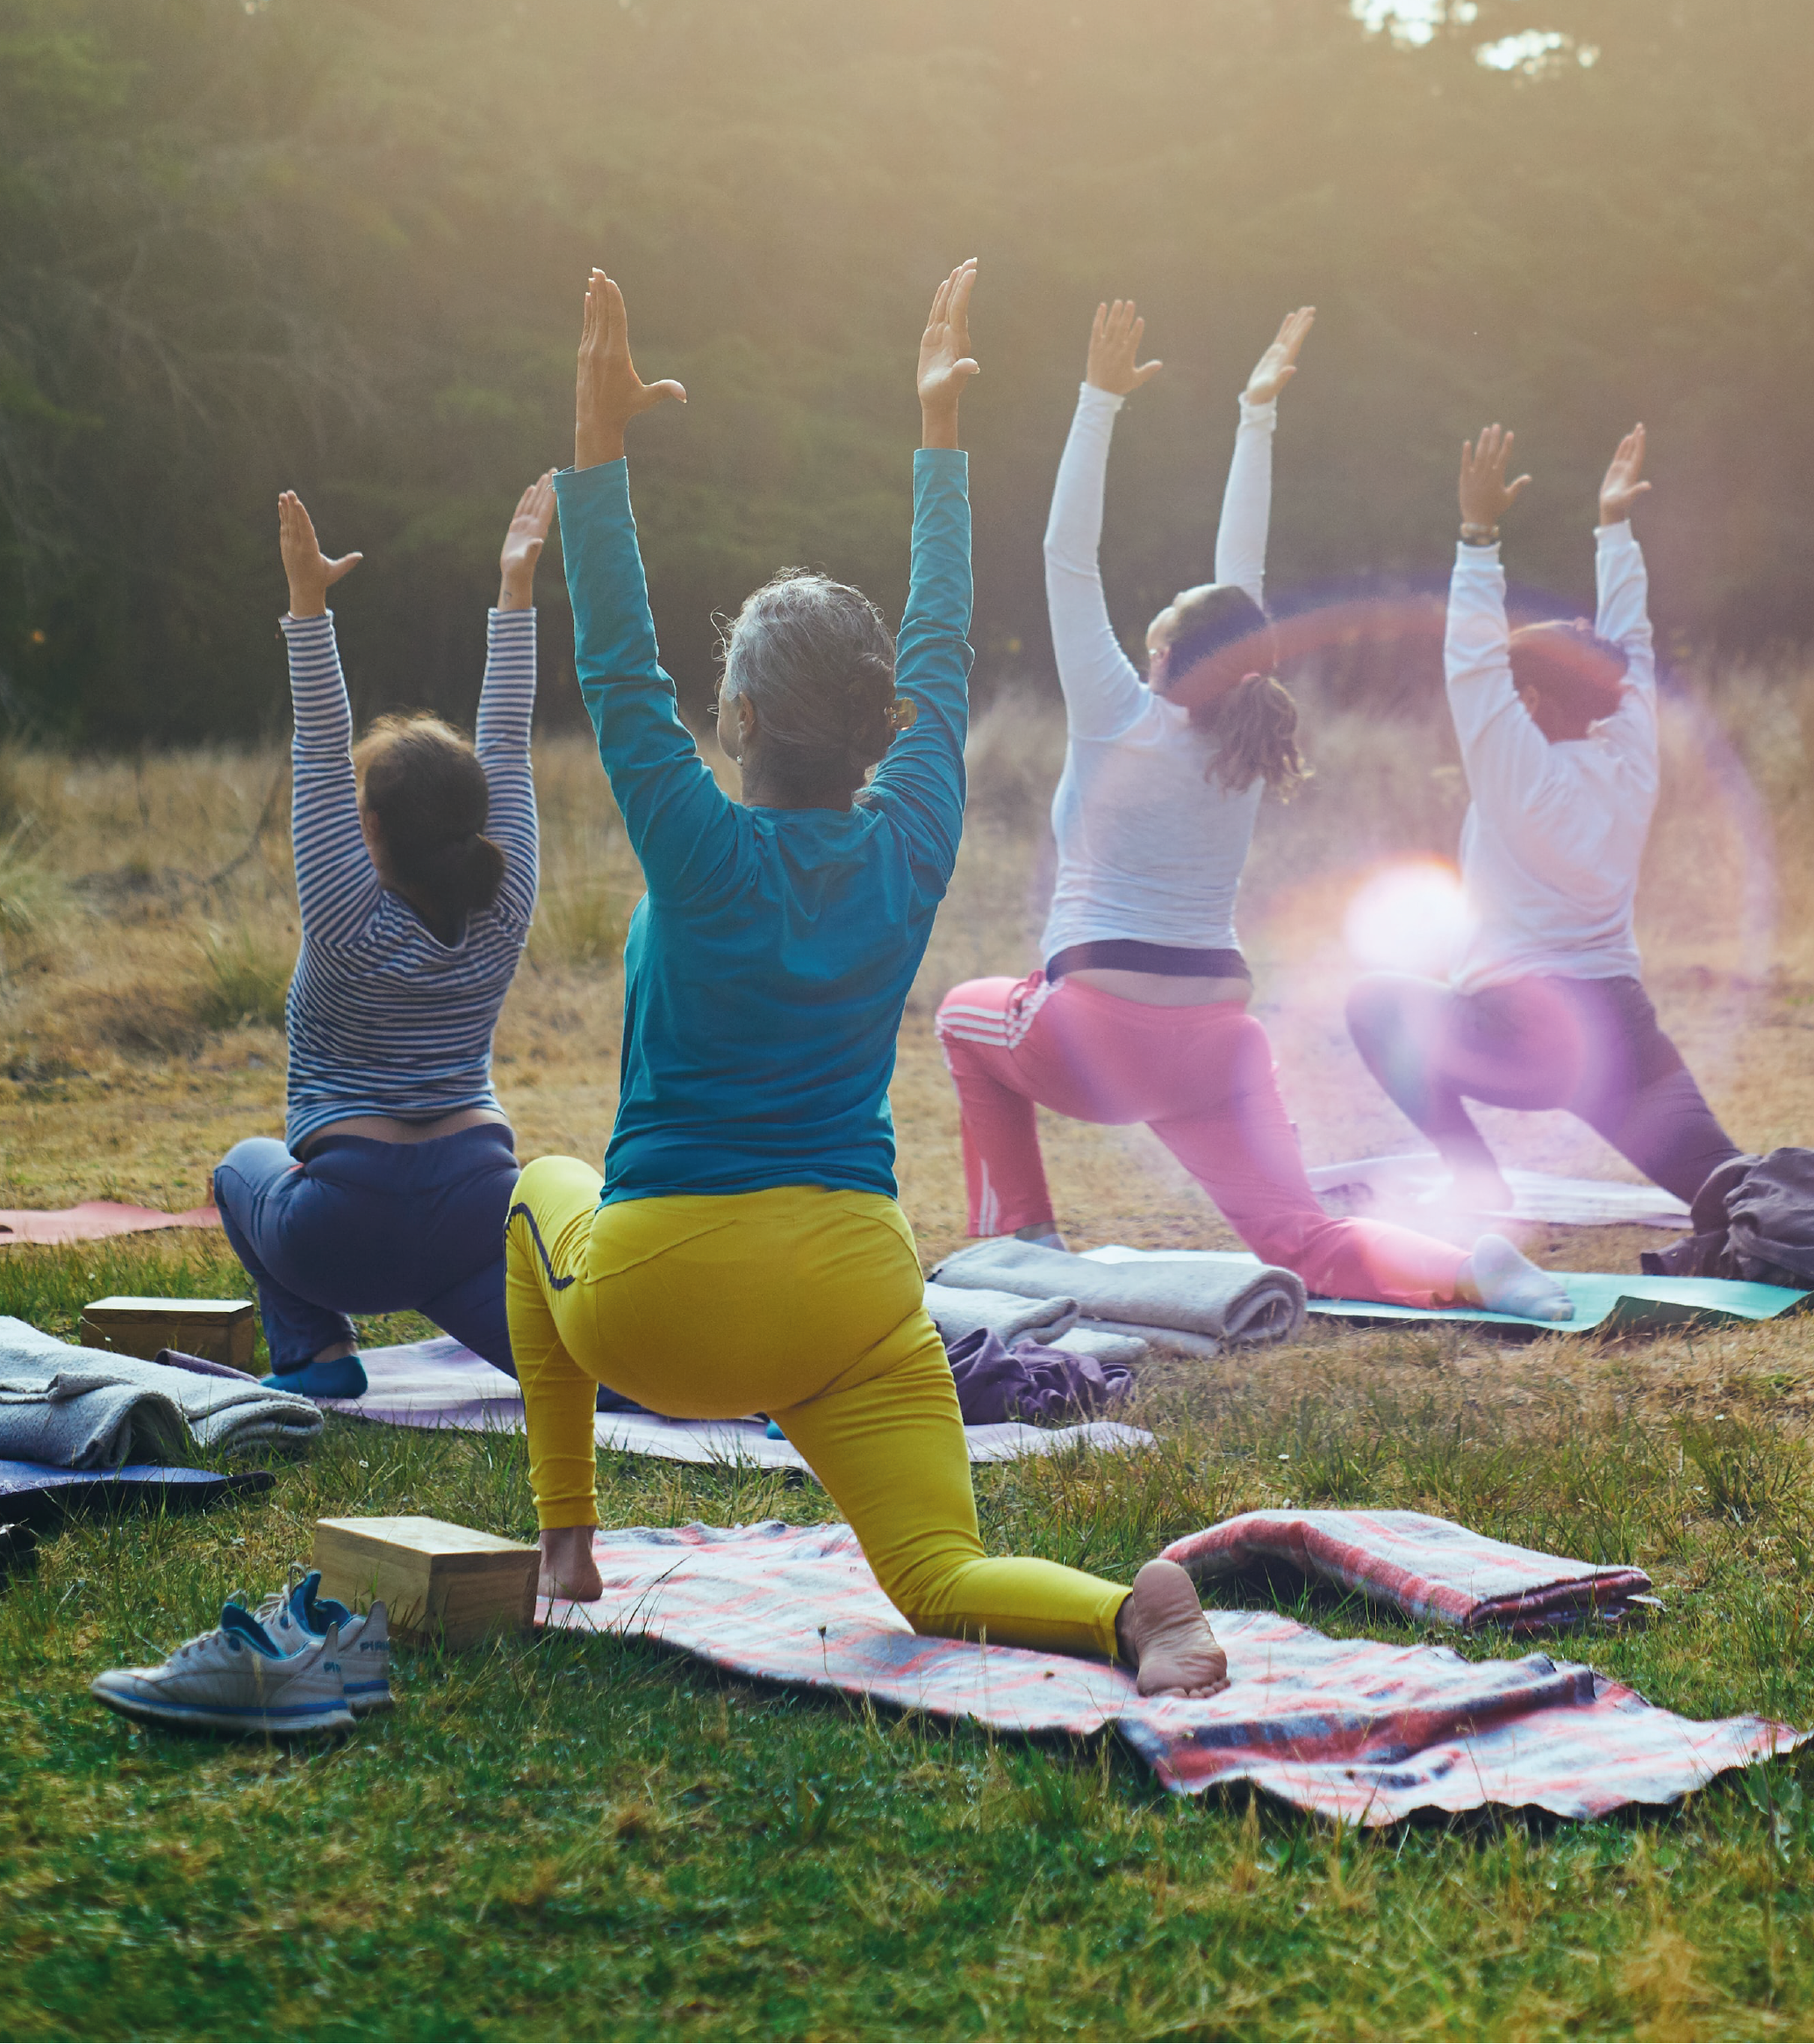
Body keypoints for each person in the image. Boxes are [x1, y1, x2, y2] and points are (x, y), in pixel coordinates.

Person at [506, 262, 1229, 1696]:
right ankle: (1130, 1611)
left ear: (745, 718)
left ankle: (566, 1541)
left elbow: (615, 664)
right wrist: (940, 445)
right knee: (935, 1577)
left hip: (663, 1309)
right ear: (879, 721)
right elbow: (945, 655)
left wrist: (597, 455)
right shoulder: (909, 845)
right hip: (853, 1292)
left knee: (536, 1180)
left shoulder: (697, 843)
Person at [935, 301, 1567, 1323]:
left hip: (1095, 1034)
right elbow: (1244, 586)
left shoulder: (1118, 715)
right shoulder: (1241, 732)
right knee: (1299, 1233)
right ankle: (1473, 1265)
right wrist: (1255, 415)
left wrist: (1096, 399)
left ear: (1158, 655)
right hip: (1219, 1038)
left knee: (963, 1015)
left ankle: (1021, 1241)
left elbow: (1066, 552)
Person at [212, 474, 555, 1399]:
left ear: (365, 829)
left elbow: (320, 744)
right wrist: (515, 590)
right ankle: (743, 1382)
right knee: (586, 1372)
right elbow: (509, 741)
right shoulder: (507, 897)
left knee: (239, 1167)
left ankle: (318, 1355)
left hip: (343, 1230)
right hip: (478, 1213)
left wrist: (308, 603)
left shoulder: (341, 914)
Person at [1345, 422, 1742, 1216]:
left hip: (1517, 1038)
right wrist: (1614, 530)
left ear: (1528, 700)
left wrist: (1478, 535)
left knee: (1373, 1003)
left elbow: (1470, 662)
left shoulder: (1514, 771)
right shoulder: (1631, 755)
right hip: (1622, 1037)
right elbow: (1633, 643)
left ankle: (1475, 1180)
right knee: (1739, 1190)